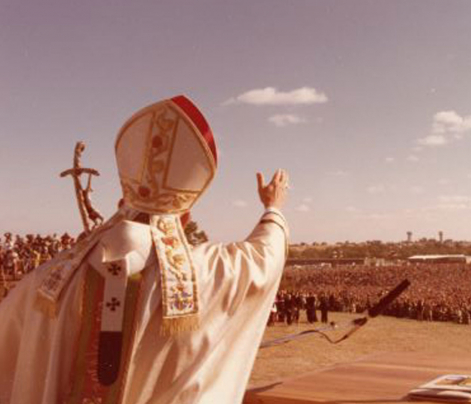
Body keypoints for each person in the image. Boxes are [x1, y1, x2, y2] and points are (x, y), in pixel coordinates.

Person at [0, 95, 289, 404]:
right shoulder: (211, 273)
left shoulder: (45, 283)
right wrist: (272, 207)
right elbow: (264, 256)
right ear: (185, 216)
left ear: (121, 204)